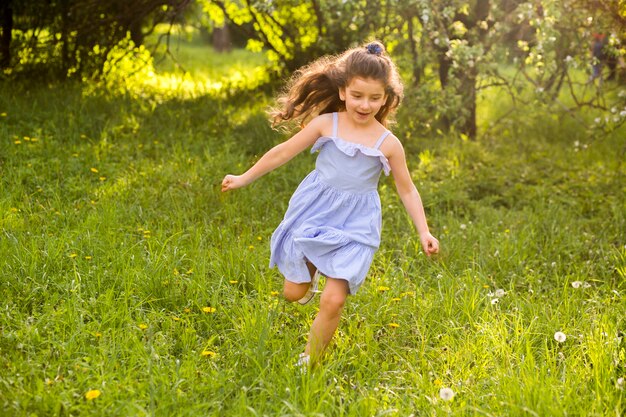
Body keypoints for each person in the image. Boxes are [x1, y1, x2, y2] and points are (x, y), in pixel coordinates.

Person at [221, 40, 439, 368]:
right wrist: (243, 177)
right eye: (357, 96)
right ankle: (309, 276)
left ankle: (309, 363)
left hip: (356, 223)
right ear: (342, 92)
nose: (365, 105)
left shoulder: (388, 144)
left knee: (333, 300)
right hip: (316, 211)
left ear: (386, 98)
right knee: (292, 294)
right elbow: (283, 152)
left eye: (375, 98)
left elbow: (406, 189)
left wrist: (423, 231)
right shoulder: (328, 124)